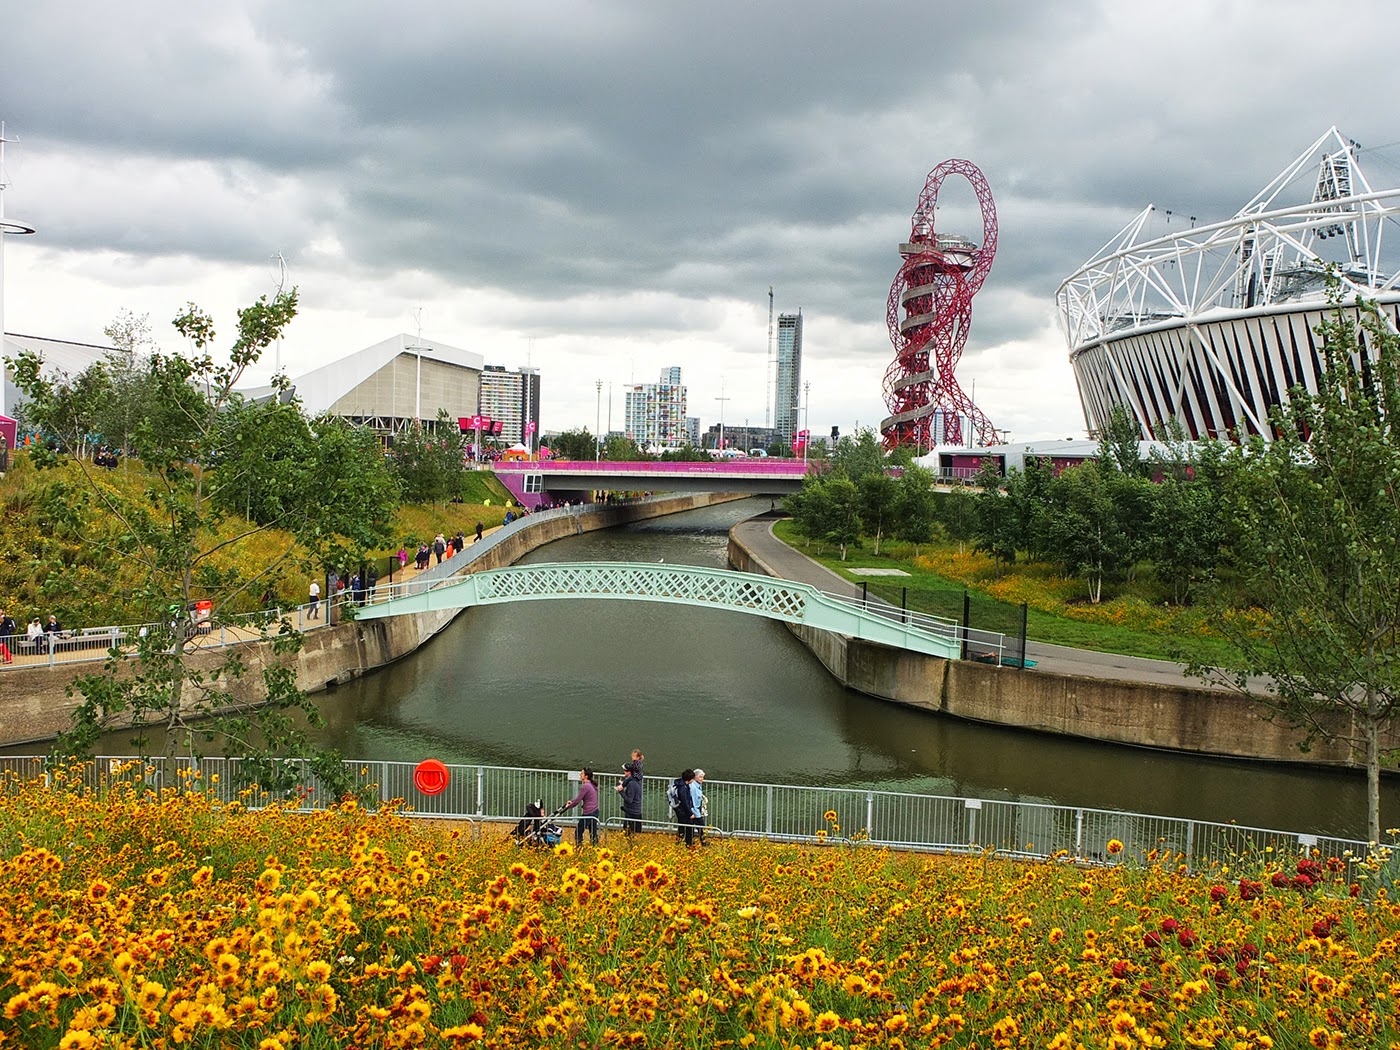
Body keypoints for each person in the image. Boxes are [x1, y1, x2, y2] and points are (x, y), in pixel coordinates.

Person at [562, 767, 600, 845]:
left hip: (589, 812)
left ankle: (579, 848)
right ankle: (595, 847)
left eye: (582, 773)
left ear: (586, 776)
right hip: (595, 811)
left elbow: (578, 800)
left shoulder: (585, 786)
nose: (580, 775)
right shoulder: (591, 784)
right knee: (593, 832)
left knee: (578, 831)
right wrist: (571, 801)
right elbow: (580, 797)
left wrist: (569, 806)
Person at [617, 750, 645, 836]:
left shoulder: (632, 783)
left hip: (632, 812)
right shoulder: (635, 782)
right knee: (631, 835)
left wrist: (621, 791)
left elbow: (629, 800)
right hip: (634, 811)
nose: (624, 772)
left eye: (625, 771)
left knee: (629, 834)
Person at [670, 769, 697, 846]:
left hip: (679, 809)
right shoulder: (683, 788)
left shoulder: (680, 784)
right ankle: (686, 843)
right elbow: (685, 802)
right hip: (683, 810)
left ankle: (683, 842)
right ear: (690, 779)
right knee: (686, 826)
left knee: (682, 826)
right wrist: (690, 813)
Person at [691, 768, 708, 844]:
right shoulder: (693, 787)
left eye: (703, 777)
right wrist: (695, 813)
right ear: (695, 777)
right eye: (700, 777)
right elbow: (693, 801)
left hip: (696, 810)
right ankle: (702, 841)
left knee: (697, 826)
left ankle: (701, 841)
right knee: (700, 826)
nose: (702, 779)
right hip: (694, 810)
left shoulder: (697, 785)